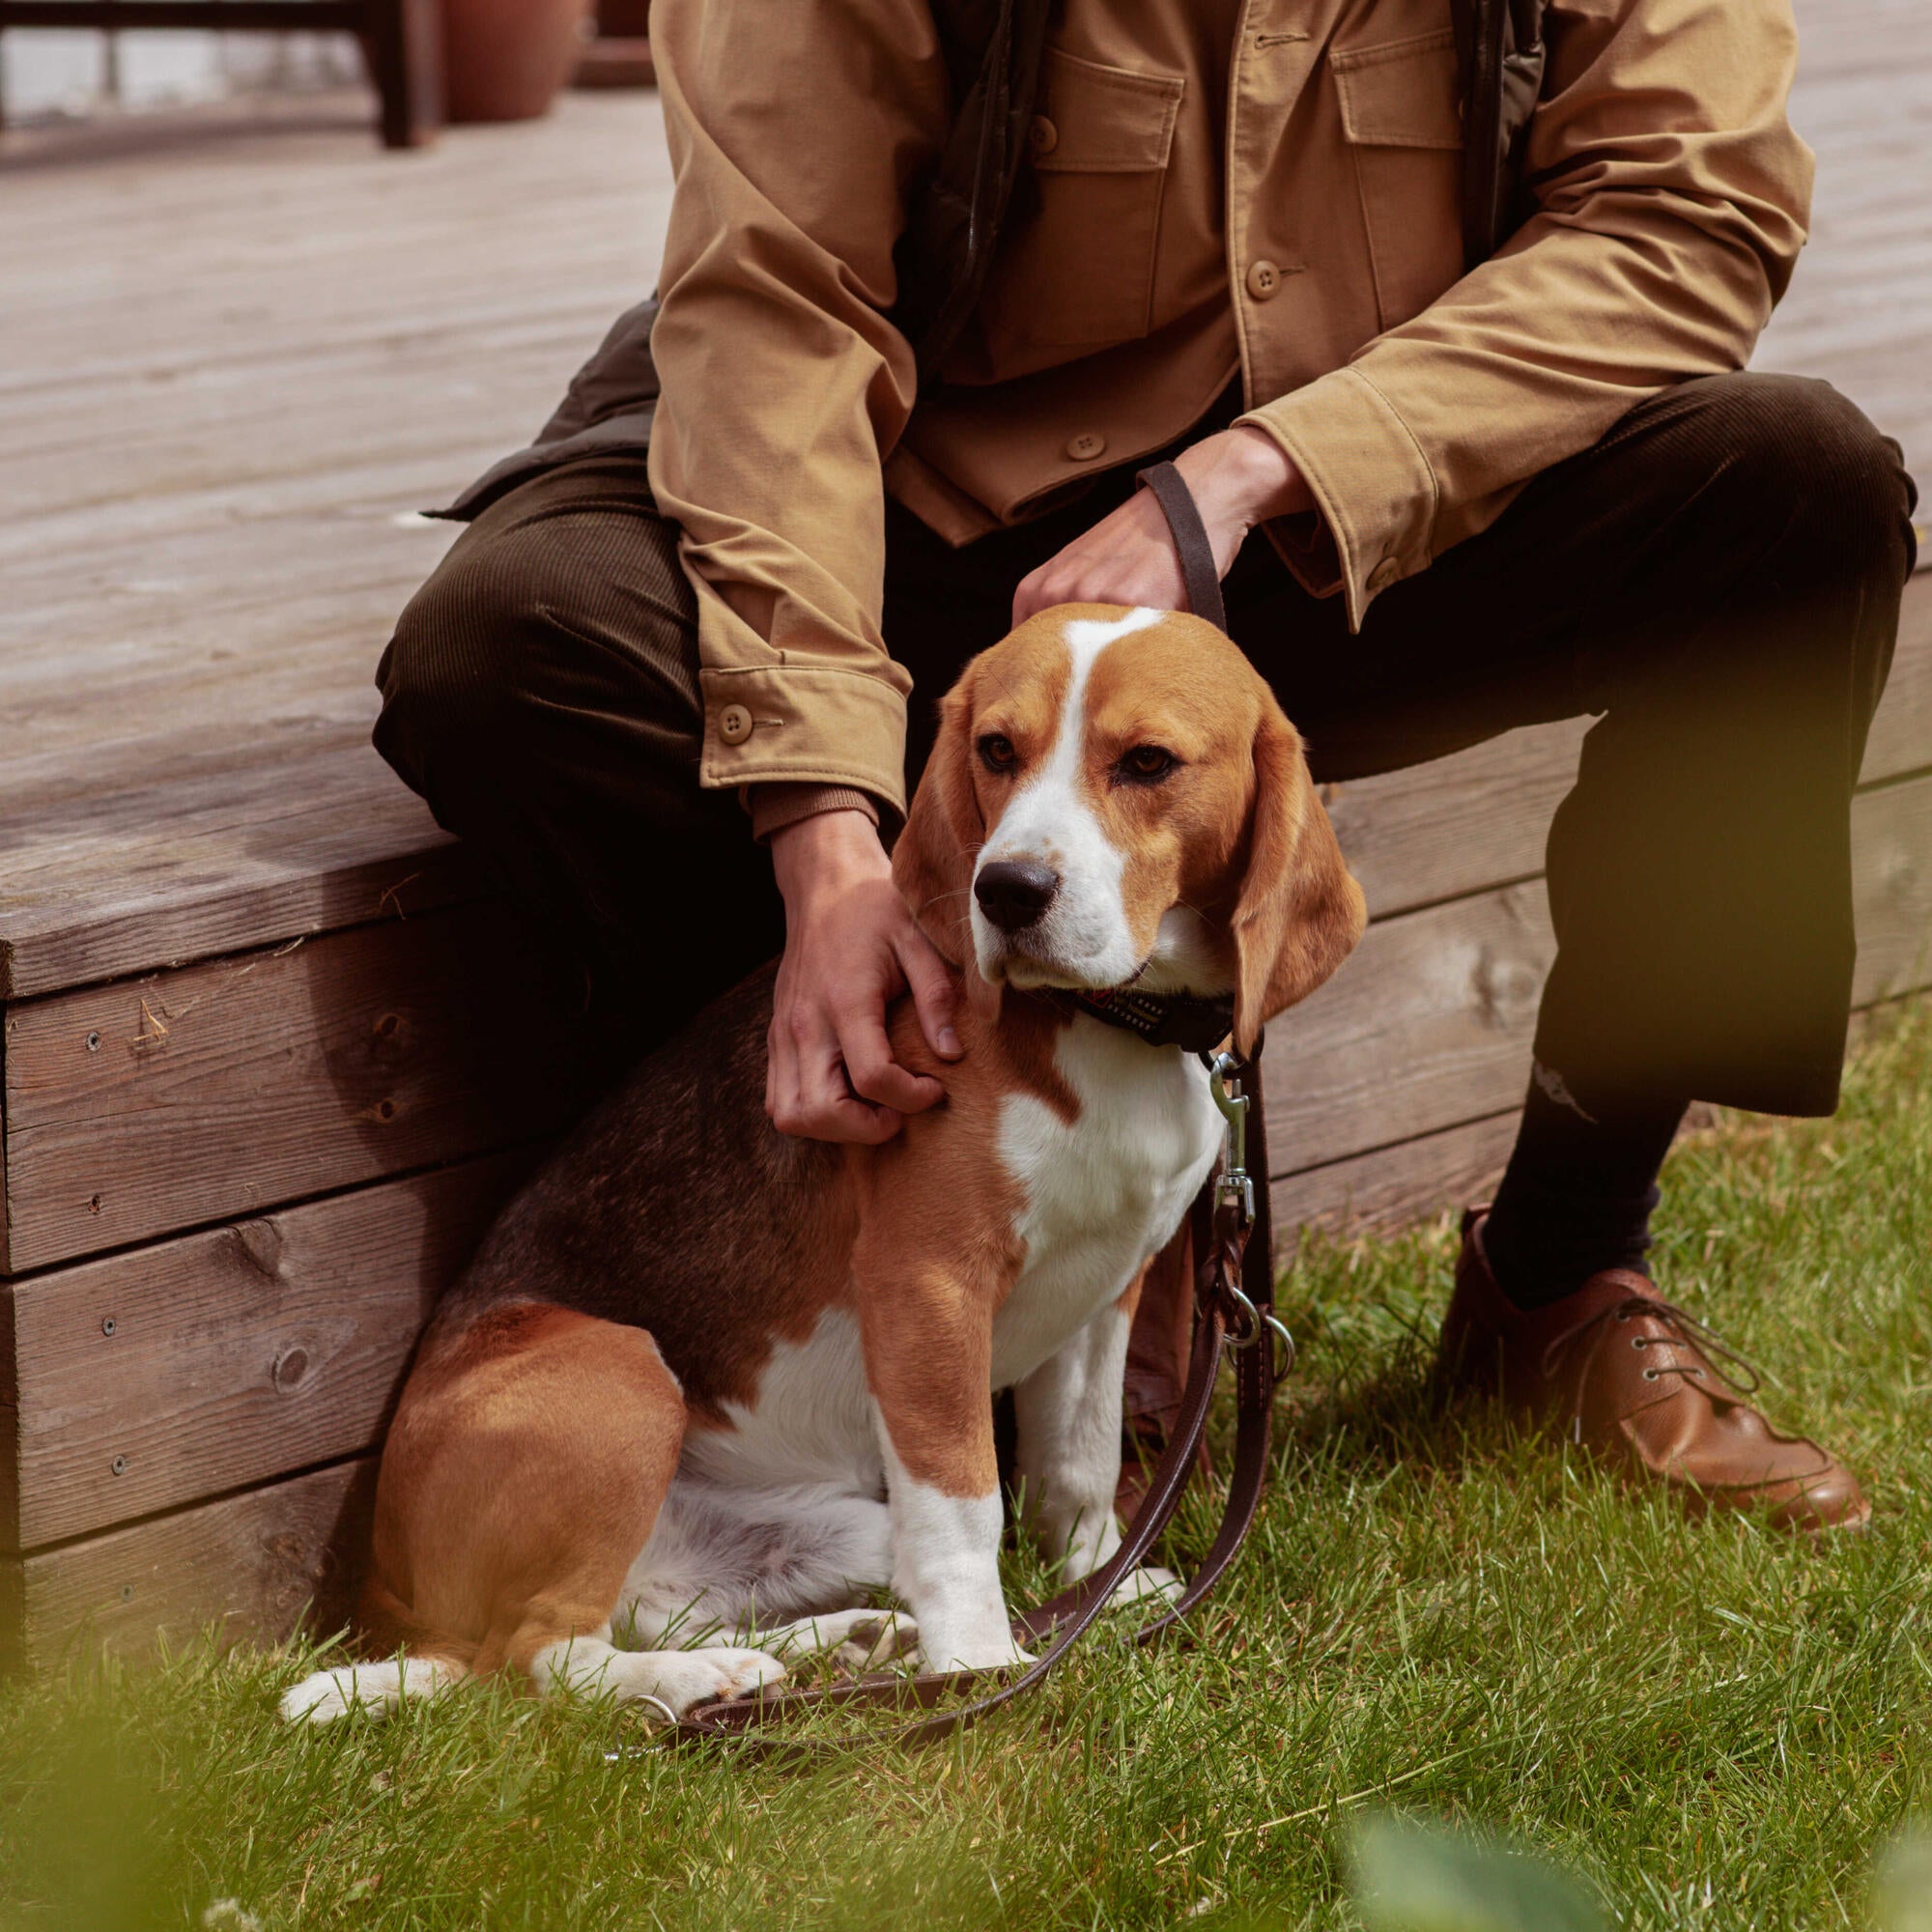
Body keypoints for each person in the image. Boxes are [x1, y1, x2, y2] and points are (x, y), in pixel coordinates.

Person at [373, 0, 1916, 1533]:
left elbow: (1686, 215)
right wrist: (822, 835)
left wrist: (1258, 474)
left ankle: (1562, 1276)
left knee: (1798, 497)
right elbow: (782, 307)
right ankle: (893, 1258)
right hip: (917, 497)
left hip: (1332, 505)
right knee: (515, 645)